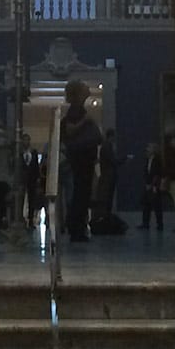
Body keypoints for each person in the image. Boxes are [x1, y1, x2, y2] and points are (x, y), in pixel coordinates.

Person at [59, 79, 102, 243]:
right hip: (81, 158)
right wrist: (88, 121)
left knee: (81, 193)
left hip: (83, 158)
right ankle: (76, 228)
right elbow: (70, 130)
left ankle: (77, 227)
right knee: (80, 194)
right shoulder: (76, 111)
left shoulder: (77, 109)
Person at [92, 127, 118, 219]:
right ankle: (106, 216)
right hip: (108, 176)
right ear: (111, 137)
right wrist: (123, 160)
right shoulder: (107, 147)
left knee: (106, 196)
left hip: (107, 175)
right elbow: (113, 161)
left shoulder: (105, 146)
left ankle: (105, 215)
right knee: (107, 197)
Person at [19, 132, 44, 230]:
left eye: (27, 140)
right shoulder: (19, 152)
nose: (26, 142)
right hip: (21, 178)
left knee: (32, 200)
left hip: (32, 178)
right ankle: (20, 218)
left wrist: (38, 177)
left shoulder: (34, 152)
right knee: (20, 199)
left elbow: (36, 166)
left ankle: (30, 220)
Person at [140, 140, 164, 230]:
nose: (147, 149)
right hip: (148, 185)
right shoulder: (147, 159)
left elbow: (157, 173)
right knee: (146, 205)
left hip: (154, 186)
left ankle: (160, 224)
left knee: (157, 205)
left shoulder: (157, 160)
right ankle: (145, 223)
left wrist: (153, 185)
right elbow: (146, 172)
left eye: (149, 148)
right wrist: (146, 183)